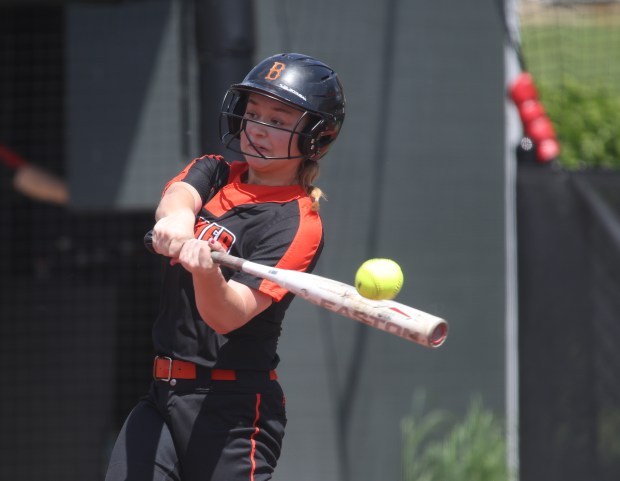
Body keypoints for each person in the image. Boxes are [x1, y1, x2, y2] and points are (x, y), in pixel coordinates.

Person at [104, 52, 345, 481]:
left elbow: (228, 315)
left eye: (278, 119)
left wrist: (205, 271)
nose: (257, 128)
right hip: (162, 392)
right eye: (253, 113)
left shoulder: (297, 222)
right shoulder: (216, 172)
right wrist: (178, 222)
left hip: (232, 408)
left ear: (314, 135)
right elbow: (179, 197)